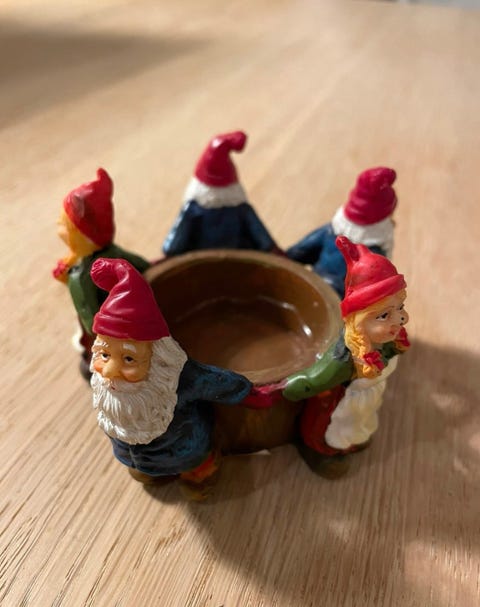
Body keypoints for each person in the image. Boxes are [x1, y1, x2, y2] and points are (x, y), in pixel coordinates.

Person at [89, 258, 252, 497]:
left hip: (186, 451)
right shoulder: (107, 387)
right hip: (134, 454)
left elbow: (226, 385)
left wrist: (248, 392)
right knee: (142, 471)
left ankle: (198, 470)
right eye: (104, 354)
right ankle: (148, 469)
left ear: (158, 358)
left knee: (197, 466)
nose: (109, 371)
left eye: (129, 359)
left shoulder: (178, 377)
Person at [282, 236, 410, 478]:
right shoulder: (346, 356)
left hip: (366, 400)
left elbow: (390, 355)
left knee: (360, 422)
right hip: (340, 406)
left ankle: (353, 441)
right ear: (359, 321)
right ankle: (322, 452)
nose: (399, 320)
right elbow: (313, 380)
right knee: (334, 430)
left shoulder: (387, 340)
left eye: (400, 308)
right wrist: (287, 388)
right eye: (384, 316)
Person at [52, 168, 150, 376]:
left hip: (107, 329)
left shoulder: (79, 276)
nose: (58, 227)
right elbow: (143, 265)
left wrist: (99, 335)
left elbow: (88, 314)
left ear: (81, 235)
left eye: (63, 225)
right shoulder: (113, 253)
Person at [162, 130, 279, 255]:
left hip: (201, 262)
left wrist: (170, 251)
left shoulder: (192, 210)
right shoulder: (242, 210)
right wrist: (274, 251)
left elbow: (173, 246)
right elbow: (264, 241)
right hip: (238, 259)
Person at [286, 167, 397, 297]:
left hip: (318, 286)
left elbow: (299, 251)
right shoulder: (374, 254)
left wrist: (283, 259)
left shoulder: (331, 231)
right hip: (340, 297)